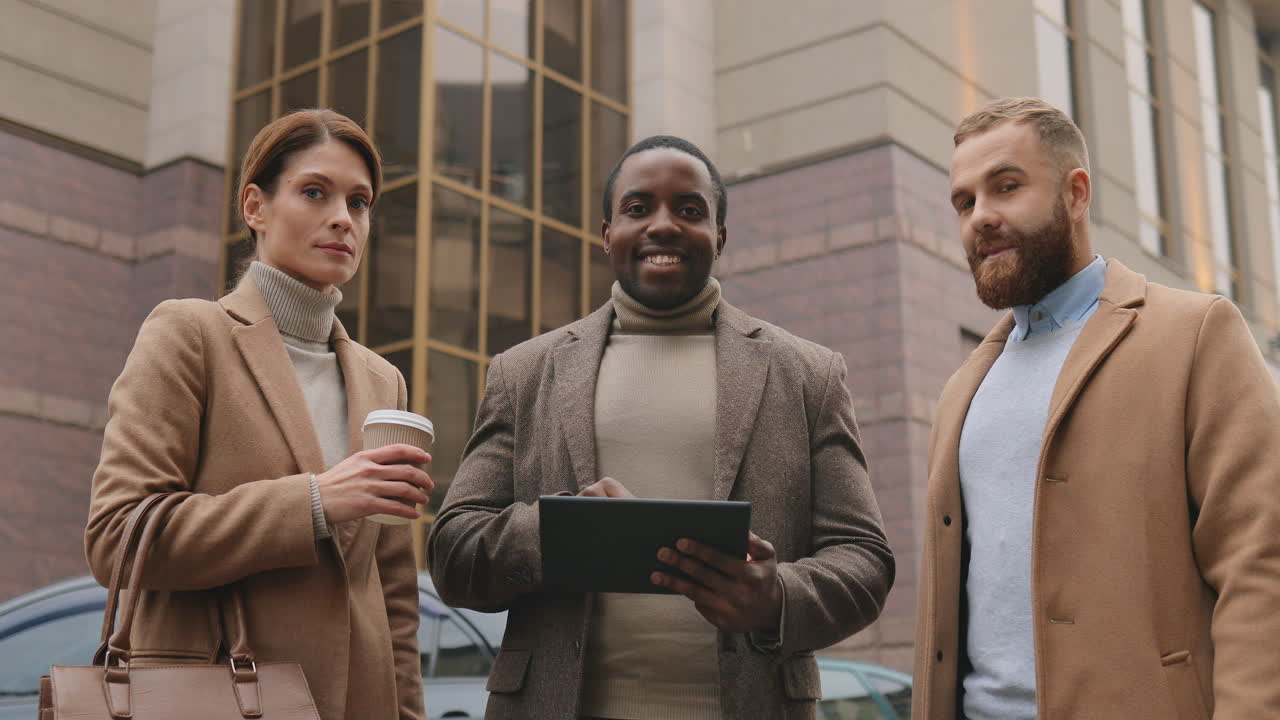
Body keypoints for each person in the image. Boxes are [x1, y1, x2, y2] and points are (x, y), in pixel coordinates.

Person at [426, 135, 895, 720]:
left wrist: (776, 597)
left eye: (690, 210)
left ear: (719, 237)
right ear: (606, 234)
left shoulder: (808, 374)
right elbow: (452, 554)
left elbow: (864, 558)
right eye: (638, 207)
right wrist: (559, 532)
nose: (664, 225)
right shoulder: (524, 372)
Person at [912, 96, 1280, 719]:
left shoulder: (1195, 334)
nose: (981, 217)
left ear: (1076, 194)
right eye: (964, 202)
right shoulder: (963, 390)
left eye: (1006, 187)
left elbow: (1259, 561)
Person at [84, 109, 431, 720]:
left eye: (360, 202)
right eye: (314, 192)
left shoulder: (384, 380)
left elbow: (393, 592)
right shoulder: (190, 334)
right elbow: (117, 536)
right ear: (255, 207)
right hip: (218, 697)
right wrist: (315, 502)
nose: (342, 219)